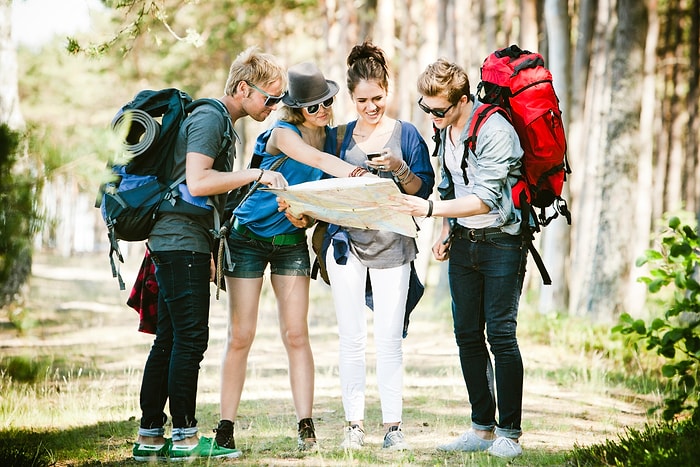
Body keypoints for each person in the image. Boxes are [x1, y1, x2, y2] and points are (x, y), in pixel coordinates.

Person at [132, 47, 289, 462]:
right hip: (179, 241)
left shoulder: (223, 123)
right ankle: (183, 436)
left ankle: (150, 437)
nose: (273, 107)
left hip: (182, 240)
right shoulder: (210, 117)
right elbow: (198, 182)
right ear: (243, 88)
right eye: (270, 98)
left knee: (168, 339)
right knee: (190, 339)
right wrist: (256, 173)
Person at [214, 62, 373, 453]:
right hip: (248, 237)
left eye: (328, 103)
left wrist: (309, 213)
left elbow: (322, 198)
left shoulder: (332, 139)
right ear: (297, 108)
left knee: (297, 334)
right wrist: (362, 178)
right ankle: (224, 427)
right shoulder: (282, 133)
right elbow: (319, 165)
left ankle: (306, 425)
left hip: (290, 240)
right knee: (242, 335)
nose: (323, 111)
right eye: (314, 106)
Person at [392, 58, 527, 459]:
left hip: (503, 241)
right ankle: (481, 428)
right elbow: (452, 186)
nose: (432, 117)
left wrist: (431, 211)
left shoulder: (495, 130)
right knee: (466, 334)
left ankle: (509, 434)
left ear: (463, 100)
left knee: (500, 334)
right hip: (465, 241)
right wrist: (446, 233)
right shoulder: (445, 130)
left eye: (440, 110)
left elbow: (485, 197)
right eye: (426, 108)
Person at [321, 41, 434, 451]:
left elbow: (424, 193)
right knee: (350, 336)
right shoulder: (336, 137)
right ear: (351, 98)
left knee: (389, 336)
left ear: (389, 90)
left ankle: (393, 426)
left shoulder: (408, 134)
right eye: (362, 100)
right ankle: (354, 424)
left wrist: (400, 169)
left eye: (378, 98)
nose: (371, 107)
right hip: (345, 245)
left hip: (393, 246)